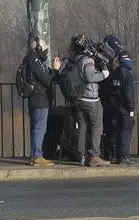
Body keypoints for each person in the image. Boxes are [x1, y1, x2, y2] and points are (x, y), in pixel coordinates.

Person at [67, 34, 110, 167]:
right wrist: (104, 74)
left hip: (77, 98)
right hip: (90, 99)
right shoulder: (87, 61)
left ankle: (82, 156)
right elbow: (90, 77)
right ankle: (94, 156)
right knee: (97, 127)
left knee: (82, 127)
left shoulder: (74, 59)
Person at [24, 35, 62, 166]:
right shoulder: (34, 61)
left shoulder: (37, 60)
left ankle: (36, 155)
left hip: (40, 99)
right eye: (45, 45)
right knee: (39, 128)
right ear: (38, 47)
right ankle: (37, 156)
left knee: (39, 127)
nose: (47, 47)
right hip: (39, 99)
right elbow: (46, 80)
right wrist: (55, 70)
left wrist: (54, 71)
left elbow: (47, 77)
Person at [109, 50, 136, 165]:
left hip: (116, 107)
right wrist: (131, 108)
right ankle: (125, 157)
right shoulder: (127, 74)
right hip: (125, 108)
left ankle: (116, 156)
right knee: (126, 132)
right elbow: (128, 92)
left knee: (117, 132)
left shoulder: (115, 73)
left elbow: (113, 91)